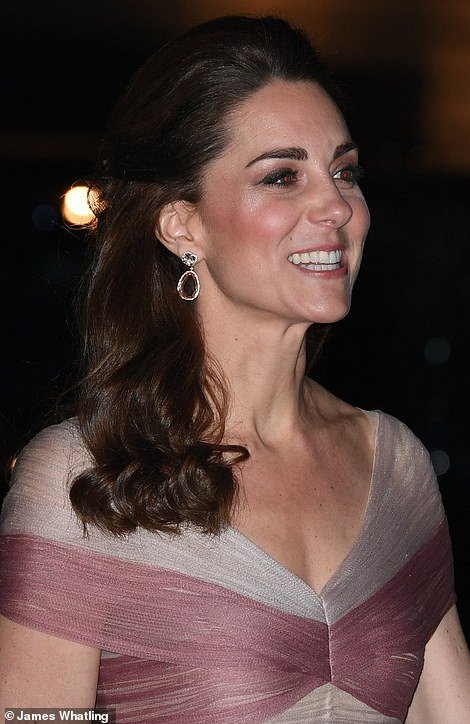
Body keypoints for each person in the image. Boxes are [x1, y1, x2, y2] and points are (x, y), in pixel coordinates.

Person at [0, 14, 469, 723]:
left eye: (344, 171)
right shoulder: (85, 480)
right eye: (282, 176)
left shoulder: (393, 464)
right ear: (182, 224)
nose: (336, 206)